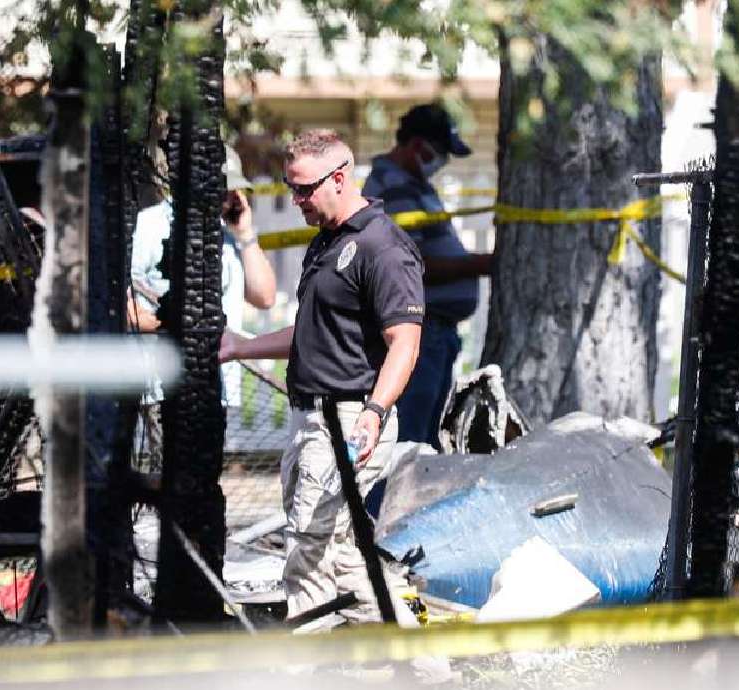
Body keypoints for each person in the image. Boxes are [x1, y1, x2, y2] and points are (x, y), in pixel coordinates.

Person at [218, 129, 425, 629]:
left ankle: (307, 672)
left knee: (307, 550)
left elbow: (405, 343)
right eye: (292, 188)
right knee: (342, 551)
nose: (297, 200)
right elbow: (310, 332)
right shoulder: (328, 242)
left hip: (349, 420)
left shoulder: (382, 246)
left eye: (305, 188)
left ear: (340, 177)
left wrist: (374, 414)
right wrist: (239, 347)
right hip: (312, 418)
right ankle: (422, 657)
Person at [362, 103, 493, 450]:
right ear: (418, 145)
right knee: (407, 441)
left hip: (436, 334)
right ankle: (388, 506)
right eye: (441, 153)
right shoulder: (392, 187)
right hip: (420, 331)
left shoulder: (414, 185)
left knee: (426, 439)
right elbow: (414, 264)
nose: (442, 162)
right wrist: (481, 265)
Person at [127, 145, 277, 405]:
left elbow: (264, 297)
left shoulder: (228, 233)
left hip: (219, 390)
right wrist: (177, 328)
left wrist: (246, 235)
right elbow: (122, 301)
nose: (228, 198)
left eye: (232, 191)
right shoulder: (150, 225)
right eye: (221, 189)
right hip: (160, 389)